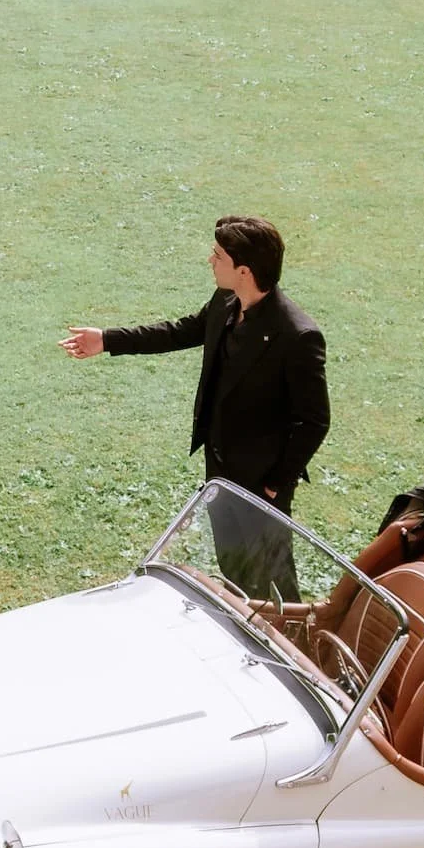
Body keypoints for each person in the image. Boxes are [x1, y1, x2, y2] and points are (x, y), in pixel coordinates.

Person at [60, 214, 329, 601]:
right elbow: (181, 331)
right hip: (219, 468)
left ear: (243, 270)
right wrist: (106, 340)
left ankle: (292, 647)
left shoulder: (297, 336)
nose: (209, 260)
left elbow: (315, 420)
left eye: (217, 255)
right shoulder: (226, 301)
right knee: (233, 567)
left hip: (259, 483)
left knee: (273, 582)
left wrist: (275, 481)